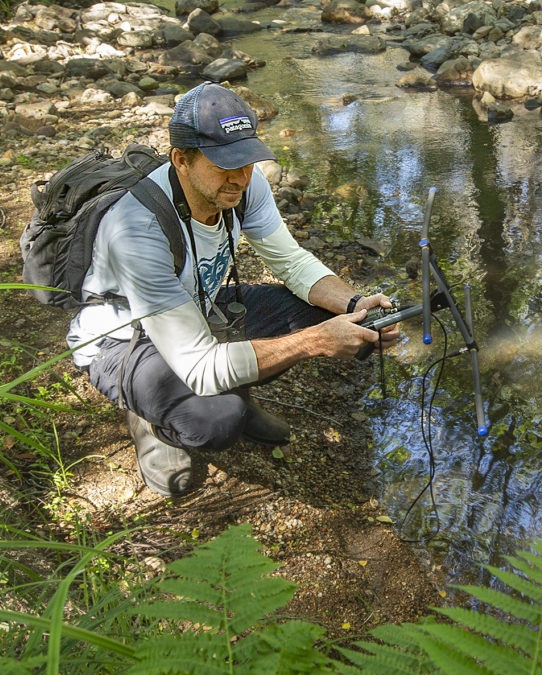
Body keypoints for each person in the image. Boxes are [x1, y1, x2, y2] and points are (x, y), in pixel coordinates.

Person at [69, 83, 400, 497]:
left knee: (330, 317)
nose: (241, 177)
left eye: (246, 160)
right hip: (124, 340)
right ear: (181, 161)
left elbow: (292, 263)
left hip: (194, 309)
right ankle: (151, 418)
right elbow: (199, 366)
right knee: (215, 420)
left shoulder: (243, 185)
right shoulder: (137, 228)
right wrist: (313, 342)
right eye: (224, 163)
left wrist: (354, 304)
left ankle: (238, 393)